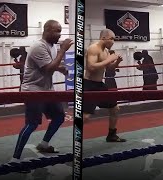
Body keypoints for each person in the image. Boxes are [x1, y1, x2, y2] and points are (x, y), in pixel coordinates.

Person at [11, 20, 73, 161]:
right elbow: (48, 70)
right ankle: (15, 159)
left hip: (46, 89)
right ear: (47, 30)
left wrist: (60, 68)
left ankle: (44, 144)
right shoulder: (38, 46)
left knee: (59, 117)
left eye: (60, 31)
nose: (59, 35)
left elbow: (49, 64)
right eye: (57, 31)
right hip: (33, 90)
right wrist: (63, 51)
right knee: (32, 124)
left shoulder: (51, 46)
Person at [83, 29, 126, 142]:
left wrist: (116, 62)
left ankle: (111, 135)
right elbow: (91, 67)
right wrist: (110, 59)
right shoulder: (93, 48)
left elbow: (108, 67)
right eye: (111, 39)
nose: (113, 41)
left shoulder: (106, 51)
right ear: (103, 38)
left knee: (115, 109)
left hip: (100, 85)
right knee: (85, 117)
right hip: (89, 85)